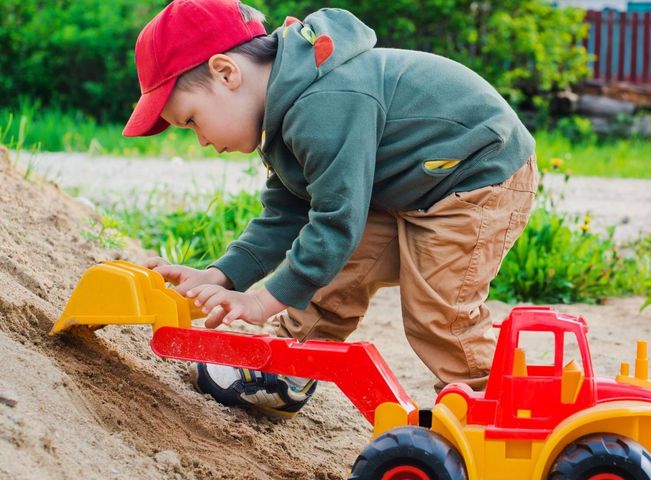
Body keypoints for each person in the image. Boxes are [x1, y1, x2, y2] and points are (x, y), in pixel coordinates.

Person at [123, 0, 538, 418]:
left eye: (192, 120)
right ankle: (289, 367)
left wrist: (264, 302)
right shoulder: (285, 112)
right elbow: (287, 211)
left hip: (476, 176)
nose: (201, 141)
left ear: (226, 73)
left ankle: (494, 412)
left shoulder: (322, 102)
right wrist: (222, 275)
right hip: (408, 188)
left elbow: (336, 221)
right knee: (340, 272)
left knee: (438, 309)